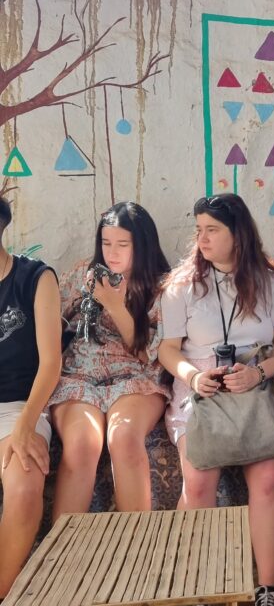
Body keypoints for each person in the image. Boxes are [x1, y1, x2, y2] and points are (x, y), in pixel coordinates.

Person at [158, 193, 274, 606]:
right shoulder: (181, 286)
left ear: (238, 233)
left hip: (255, 388)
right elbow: (168, 350)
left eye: (211, 230)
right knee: (197, 484)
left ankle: (267, 592)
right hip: (201, 392)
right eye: (198, 229)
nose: (201, 239)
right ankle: (197, 591)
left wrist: (257, 372)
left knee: (267, 480)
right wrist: (194, 377)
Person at [50, 202, 171, 519]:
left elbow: (148, 353)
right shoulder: (83, 274)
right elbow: (49, 322)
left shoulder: (161, 287)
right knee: (80, 445)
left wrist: (115, 305)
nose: (112, 253)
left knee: (124, 438)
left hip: (135, 378)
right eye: (106, 243)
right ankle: (62, 554)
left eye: (122, 244)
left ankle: (135, 549)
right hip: (79, 377)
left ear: (141, 245)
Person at [0, 198, 61, 606]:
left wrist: (24, 427)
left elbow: (50, 363)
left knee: (22, 486)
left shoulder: (35, 278)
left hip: (22, 404)